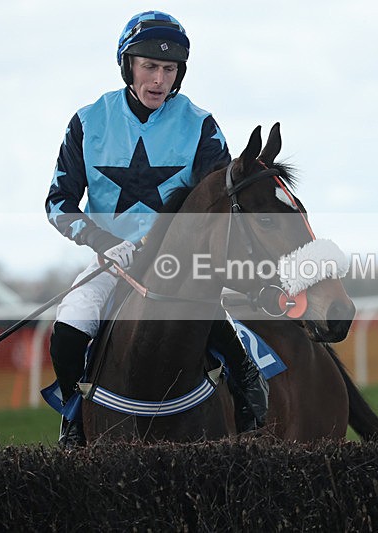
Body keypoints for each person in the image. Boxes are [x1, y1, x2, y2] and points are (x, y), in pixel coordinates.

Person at [45, 10, 268, 448]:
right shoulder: (88, 122)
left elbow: (217, 200)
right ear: (128, 64)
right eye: (149, 66)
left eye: (169, 69)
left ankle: (249, 399)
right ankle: (74, 418)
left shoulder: (200, 124)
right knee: (67, 331)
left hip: (177, 264)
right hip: (114, 264)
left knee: (214, 325)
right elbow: (58, 204)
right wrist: (104, 243)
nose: (159, 79)